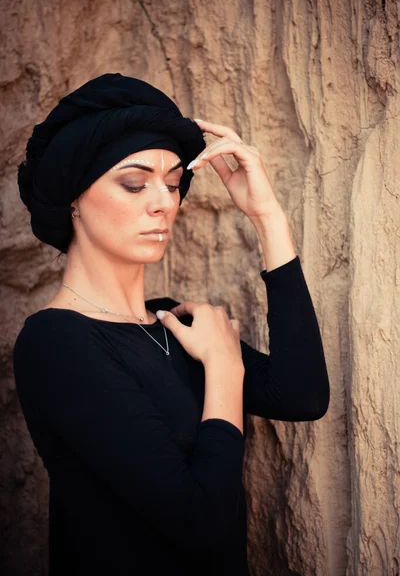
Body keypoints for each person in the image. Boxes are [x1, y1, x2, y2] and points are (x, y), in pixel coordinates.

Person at [13, 73, 330, 576]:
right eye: (134, 183)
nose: (162, 202)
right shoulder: (56, 343)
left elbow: (304, 396)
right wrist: (224, 369)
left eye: (174, 183)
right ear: (74, 196)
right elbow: (201, 522)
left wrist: (268, 218)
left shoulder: (171, 322)